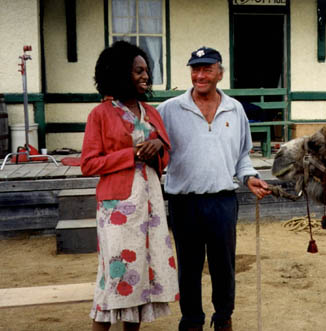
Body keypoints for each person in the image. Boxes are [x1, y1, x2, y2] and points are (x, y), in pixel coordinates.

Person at [157, 46, 271, 331]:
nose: (200, 75)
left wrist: (249, 177)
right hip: (184, 202)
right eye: (195, 69)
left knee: (223, 266)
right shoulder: (170, 110)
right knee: (189, 267)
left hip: (222, 201)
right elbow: (151, 145)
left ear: (220, 73)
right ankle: (192, 320)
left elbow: (242, 155)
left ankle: (223, 317)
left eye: (207, 69)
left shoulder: (235, 110)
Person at [81, 41, 179, 331]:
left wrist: (158, 145)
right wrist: (132, 153)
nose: (145, 76)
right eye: (138, 71)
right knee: (117, 276)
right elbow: (89, 164)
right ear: (121, 73)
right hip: (118, 209)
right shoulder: (99, 115)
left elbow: (166, 149)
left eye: (147, 70)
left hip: (150, 204)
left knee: (141, 281)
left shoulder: (151, 111)